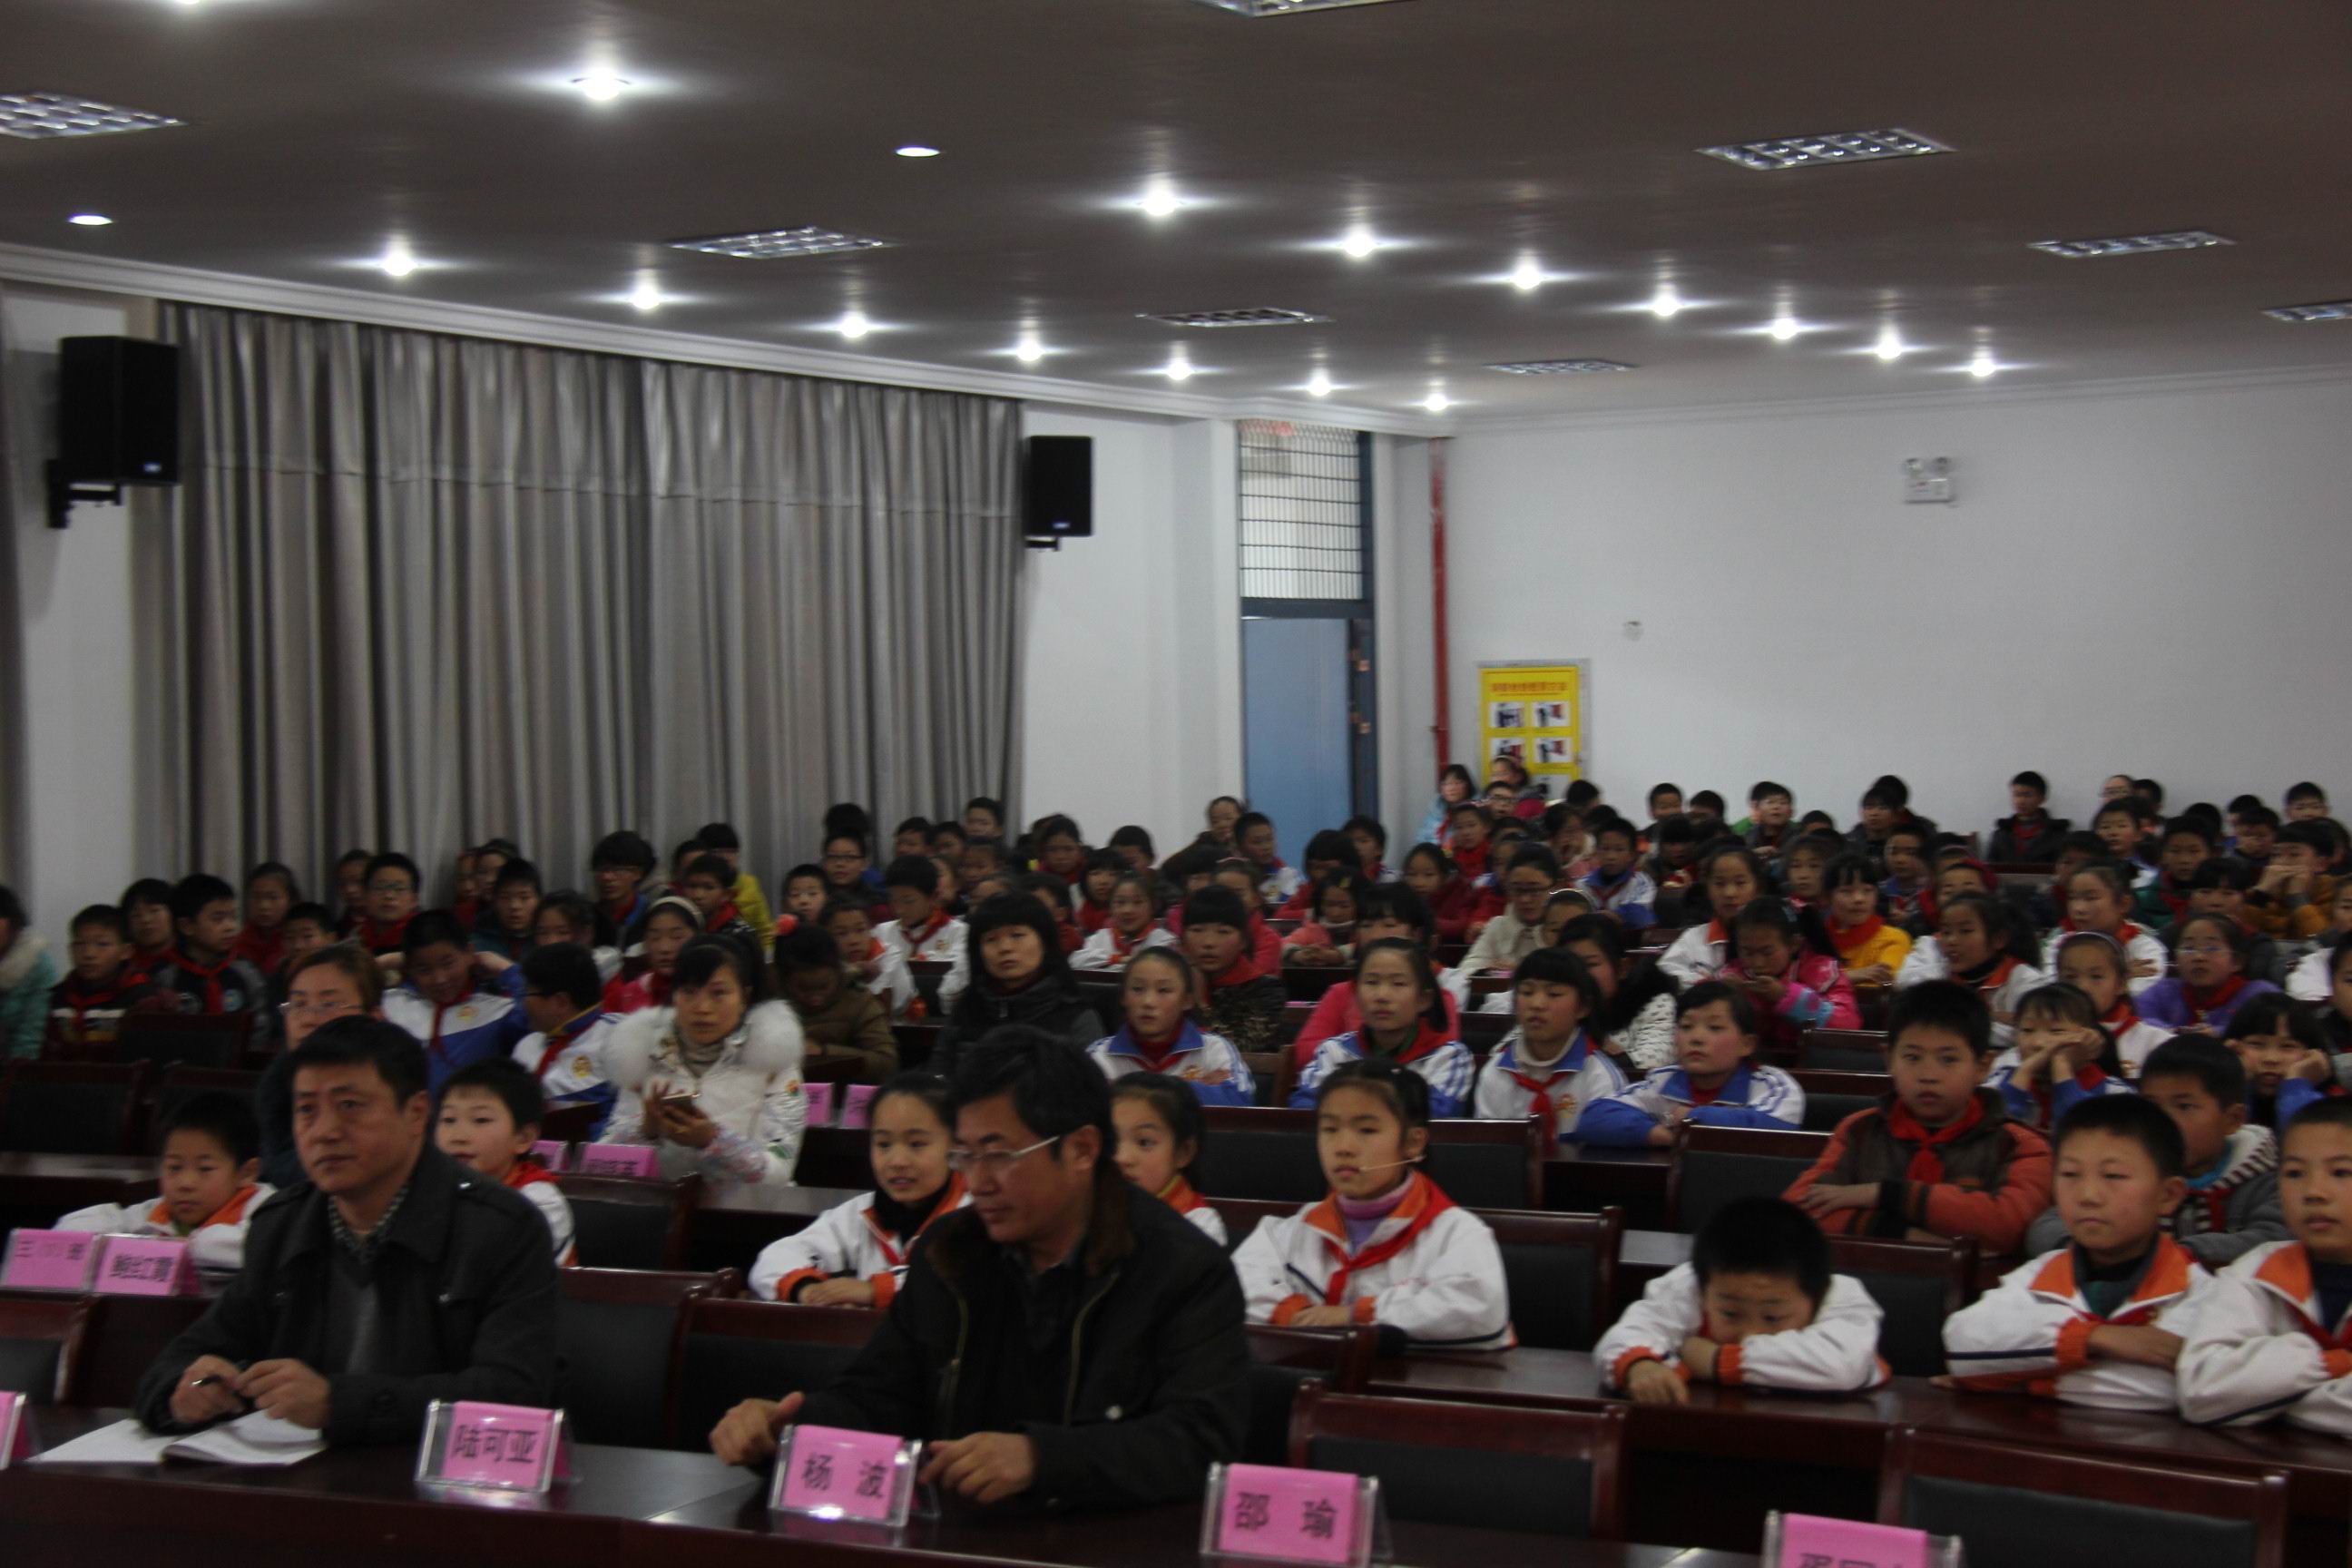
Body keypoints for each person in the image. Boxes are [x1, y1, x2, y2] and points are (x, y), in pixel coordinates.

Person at [709, 1029, 1250, 1511]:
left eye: (999, 1155)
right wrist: (789, 1429)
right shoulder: (951, 1251)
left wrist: (1042, 1459)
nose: (978, 1181)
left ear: (1082, 1149)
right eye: (964, 1156)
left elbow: (1200, 1441)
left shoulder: (1183, 1267)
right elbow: (881, 1397)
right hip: (959, 1538)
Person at [136, 1017, 561, 1443]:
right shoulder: (282, 1225)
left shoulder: (502, 1227)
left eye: (350, 1106)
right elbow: (180, 1361)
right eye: (307, 1110)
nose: (323, 1132)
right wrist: (185, 1392)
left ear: (416, 1113)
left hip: (429, 1478)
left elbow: (513, 1394)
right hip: (296, 1474)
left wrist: (339, 1403)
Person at [1943, 1094, 2210, 1409]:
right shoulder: (2039, 1274)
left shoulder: (2200, 1292)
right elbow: (1961, 1346)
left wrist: (2027, 1378)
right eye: (2070, 1174)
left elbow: (2181, 1389)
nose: (2088, 1195)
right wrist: (2095, 1339)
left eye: (2113, 1176)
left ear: (2168, 1195)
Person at [1239, 1060, 1511, 1350]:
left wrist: (1356, 1315)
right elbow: (1237, 1284)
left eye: (1366, 1130)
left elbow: (1479, 1308)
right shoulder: (1289, 1232)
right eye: (1330, 1129)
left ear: (1414, 1143)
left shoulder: (1456, 1234)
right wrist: (1292, 1314)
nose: (1343, 1147)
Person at [1787, 981, 2053, 1255]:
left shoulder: (2019, 1144)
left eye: (1948, 1060)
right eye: (1913, 1058)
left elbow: (2008, 1226)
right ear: (1889, 1059)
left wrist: (1885, 1194)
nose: (1928, 1075)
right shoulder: (1859, 1129)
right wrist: (1901, 1234)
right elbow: (1797, 1211)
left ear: (1982, 1066)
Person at [2026, 1035, 2286, 1267]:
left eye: (2184, 1106)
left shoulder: (2265, 1180)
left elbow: (2274, 1237)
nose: (2163, 1119)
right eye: (2151, 1105)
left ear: (2233, 1119)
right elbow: (2046, 1227)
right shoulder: (2125, 1169)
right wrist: (2095, 1249)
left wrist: (2172, 1255)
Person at [1600, 1197, 1886, 1401]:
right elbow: (1628, 1333)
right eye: (1730, 1313)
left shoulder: (1840, 1295)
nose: (1751, 1333)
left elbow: (1844, 1366)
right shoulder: (1690, 1285)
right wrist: (1641, 1366)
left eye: (1773, 1317)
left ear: (1817, 1298)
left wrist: (1714, 1360)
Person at [2179, 1099, 2352, 1436]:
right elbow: (2201, 1390)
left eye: (2341, 1172)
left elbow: (2228, 1398)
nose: (2314, 1192)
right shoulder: (2255, 1269)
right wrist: (2335, 1363)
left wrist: (2269, 1395)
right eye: (2295, 1173)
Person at [600, 936, 808, 1186]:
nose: (702, 1008)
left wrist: (713, 1141)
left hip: (748, 1207)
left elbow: (778, 1172)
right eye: (689, 992)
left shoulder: (774, 1062)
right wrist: (645, 1131)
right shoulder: (642, 1055)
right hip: (661, 1205)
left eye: (718, 993)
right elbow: (603, 1163)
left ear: (744, 997)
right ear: (674, 996)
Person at [750, 1072, 967, 1304]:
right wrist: (808, 1289)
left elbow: (967, 1280)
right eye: (883, 1144)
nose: (897, 1161)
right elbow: (775, 1259)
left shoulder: (975, 1214)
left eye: (916, 1144)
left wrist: (874, 1290)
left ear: (956, 1145)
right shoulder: (861, 1214)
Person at [57, 1092, 272, 1276]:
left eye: (205, 1169)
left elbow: (256, 1249)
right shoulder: (159, 1212)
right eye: (174, 1168)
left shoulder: (268, 1209)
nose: (185, 1183)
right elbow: (74, 1227)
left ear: (246, 1173)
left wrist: (174, 1247)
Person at [1580, 982, 1807, 1146]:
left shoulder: (1773, 1085)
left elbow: (1774, 1125)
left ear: (1746, 1045)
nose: (1696, 1038)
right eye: (1686, 1027)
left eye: (1714, 1028)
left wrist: (1692, 1117)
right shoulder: (1662, 1080)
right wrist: (1663, 1135)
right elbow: (1595, 1117)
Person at [1291, 939, 1475, 1116]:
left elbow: (1432, 1117)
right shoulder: (1334, 1051)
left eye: (1398, 984)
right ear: (1355, 994)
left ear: (1424, 999)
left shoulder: (1448, 1057)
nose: (1382, 996)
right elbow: (1304, 1110)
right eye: (1372, 982)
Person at [932, 894, 1109, 1078]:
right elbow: (937, 1082)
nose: (1005, 948)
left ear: (1045, 942)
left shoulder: (1076, 1017)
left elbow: (1089, 1090)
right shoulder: (964, 1012)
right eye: (991, 939)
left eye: (1017, 935)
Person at [1290, 885, 1466, 1063]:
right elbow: (1305, 1051)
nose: (1375, 935)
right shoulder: (1341, 993)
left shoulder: (1436, 996)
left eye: (1389, 925)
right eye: (1366, 926)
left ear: (1416, 934)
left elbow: (1443, 1055)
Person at [1471, 946, 1630, 1142]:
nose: (1537, 1004)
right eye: (1527, 992)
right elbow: (1487, 1151)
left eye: (1554, 994)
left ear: (1583, 1007)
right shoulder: (1495, 1072)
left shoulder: (1600, 1079)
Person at [436, 1057, 573, 1263]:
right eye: (448, 1119)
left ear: (523, 1138)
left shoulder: (540, 1203)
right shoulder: (432, 1189)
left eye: (480, 1120)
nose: (458, 1136)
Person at [1087, 947, 1254, 1107]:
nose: (1148, 1002)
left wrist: (1120, 1089)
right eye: (1137, 989)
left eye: (1163, 990)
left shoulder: (1214, 1049)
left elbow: (1240, 1101)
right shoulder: (1100, 1055)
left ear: (1187, 1001)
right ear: (1123, 997)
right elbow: (1083, 1106)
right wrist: (1190, 1087)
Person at [380, 912, 528, 1092]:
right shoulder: (390, 1005)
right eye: (424, 970)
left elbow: (538, 1014)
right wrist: (381, 963)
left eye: (448, 964)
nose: (440, 979)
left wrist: (508, 969)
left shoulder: (497, 1011)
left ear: (470, 953)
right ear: (408, 968)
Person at [1903, 892, 2047, 1051]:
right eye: (1945, 932)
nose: (1951, 941)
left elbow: (2030, 1035)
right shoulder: (1938, 975)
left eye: (1965, 931)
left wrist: (1958, 1021)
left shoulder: (2026, 979)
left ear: (1999, 939)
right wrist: (1987, 1017)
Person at [1717, 897, 1859, 1057]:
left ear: (1794, 944)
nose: (1757, 962)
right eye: (1747, 952)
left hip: (1812, 1066)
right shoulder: (1730, 975)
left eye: (1767, 952)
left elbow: (1848, 1027)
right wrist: (1726, 998)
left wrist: (1786, 996)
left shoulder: (1824, 972)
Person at [1990, 982, 2137, 1132]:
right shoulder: (1998, 1082)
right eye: (2027, 1030)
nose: (2038, 1043)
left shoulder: (2117, 1095)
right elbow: (1994, 1133)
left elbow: (2078, 1134)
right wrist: (2025, 1071)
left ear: (2088, 1038)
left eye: (2056, 1031)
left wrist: (2062, 1066)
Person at [511, 942, 622, 1136]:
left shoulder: (620, 1037)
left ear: (561, 1002)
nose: (523, 1003)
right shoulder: (525, 1047)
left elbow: (633, 1118)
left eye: (527, 993)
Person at [151, 873, 274, 1046]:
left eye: (233, 917)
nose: (230, 927)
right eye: (218, 919)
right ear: (186, 926)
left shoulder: (246, 971)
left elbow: (261, 1026)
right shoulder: (164, 976)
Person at [1109, 1071, 1226, 1244]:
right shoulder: (1088, 1207)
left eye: (1144, 1142)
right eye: (1112, 1139)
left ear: (1183, 1152)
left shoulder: (1199, 1225)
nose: (1122, 1158)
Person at [775, 924, 900, 1082]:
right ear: (783, 980)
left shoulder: (858, 1000)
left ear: (838, 972)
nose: (815, 998)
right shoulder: (769, 1001)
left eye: (824, 986)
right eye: (803, 989)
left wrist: (824, 1052)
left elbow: (887, 1062)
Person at [1558, 914, 1681, 1073]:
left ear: (1622, 968)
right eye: (1571, 966)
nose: (1579, 974)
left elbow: (1652, 1061)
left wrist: (1593, 1052)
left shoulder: (1655, 1001)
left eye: (1590, 964)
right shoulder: (1555, 1003)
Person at [44, 902, 169, 1054]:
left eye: (102, 944)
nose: (89, 954)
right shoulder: (59, 997)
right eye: (80, 944)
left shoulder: (142, 998)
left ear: (126, 951)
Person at [2051, 930, 2172, 1078]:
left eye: (2096, 977)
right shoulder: (2044, 1040)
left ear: (2121, 984)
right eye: (2070, 977)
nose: (2082, 987)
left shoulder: (2157, 1042)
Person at [1182, 886, 1289, 1054]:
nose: (1209, 942)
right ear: (1183, 939)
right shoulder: (1172, 985)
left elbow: (1241, 1049)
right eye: (1197, 930)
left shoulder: (1265, 990)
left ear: (1243, 941)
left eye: (1223, 932)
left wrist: (1201, 1003)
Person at [2138, 913, 2280, 1034]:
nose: (2198, 957)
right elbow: (2138, 1017)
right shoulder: (2165, 991)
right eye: (2188, 949)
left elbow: (2269, 1028)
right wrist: (2174, 1033)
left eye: (2212, 949)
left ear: (2237, 961)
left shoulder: (2259, 994)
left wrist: (2220, 1033)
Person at [2226, 994, 2341, 1133]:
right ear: (2233, 1047)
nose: (2271, 1059)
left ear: (2313, 1053)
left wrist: (2296, 1087)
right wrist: (2234, 1083)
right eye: (2256, 1044)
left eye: (2287, 1046)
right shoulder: (2210, 1101)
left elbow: (2307, 1141)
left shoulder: (2336, 1106)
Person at [1657, 845, 1766, 985]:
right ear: (1707, 889)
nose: (1729, 893)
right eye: (1719, 884)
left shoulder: (1774, 936)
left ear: (1758, 888)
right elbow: (1665, 976)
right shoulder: (1692, 939)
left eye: (1740, 883)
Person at [1823, 853, 1912, 990]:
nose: (1859, 899)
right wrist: (1853, 975)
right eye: (1847, 891)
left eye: (1868, 891)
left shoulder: (1893, 939)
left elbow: (1885, 983)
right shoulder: (1816, 941)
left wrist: (1833, 978)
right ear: (1827, 897)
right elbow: (1802, 982)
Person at [877, 855, 969, 979]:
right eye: (893, 900)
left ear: (933, 897)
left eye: (908, 901)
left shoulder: (959, 933)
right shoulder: (882, 933)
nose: (899, 910)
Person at [605, 895, 700, 1014]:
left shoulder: (711, 992)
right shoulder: (627, 996)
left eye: (677, 936)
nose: (664, 948)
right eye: (655, 938)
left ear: (698, 938)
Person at [1071, 868, 1177, 971]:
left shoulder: (1164, 940)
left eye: (1137, 902)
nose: (1127, 910)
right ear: (1110, 907)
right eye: (1120, 902)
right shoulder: (1099, 938)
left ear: (1153, 906)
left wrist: (1106, 963)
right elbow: (1076, 961)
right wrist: (1117, 959)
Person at [2247, 821, 2338, 941]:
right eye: (2276, 854)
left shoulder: (2340, 895)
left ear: (2321, 864)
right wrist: (2259, 895)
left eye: (2294, 855)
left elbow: (2325, 945)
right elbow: (2240, 940)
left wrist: (2297, 898)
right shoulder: (2261, 894)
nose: (2281, 862)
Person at [695, 822, 776, 946]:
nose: (726, 857)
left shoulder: (750, 884)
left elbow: (766, 932)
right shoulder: (695, 887)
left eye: (731, 851)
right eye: (717, 851)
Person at [2135, 817, 2219, 929]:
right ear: (2162, 855)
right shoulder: (2141, 900)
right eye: (2175, 851)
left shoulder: (2223, 898)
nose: (2184, 860)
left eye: (2194, 851)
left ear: (2211, 854)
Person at [1403, 842, 1492, 945]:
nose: (1419, 883)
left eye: (1429, 875)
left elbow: (1463, 926)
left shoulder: (1460, 892)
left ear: (1444, 876)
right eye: (1412, 874)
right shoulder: (1403, 896)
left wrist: (1427, 923)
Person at [1283, 867, 1371, 967]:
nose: (1335, 913)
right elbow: (1281, 944)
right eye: (1329, 905)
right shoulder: (1312, 930)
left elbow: (1373, 945)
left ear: (1360, 904)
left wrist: (1338, 955)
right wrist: (1299, 955)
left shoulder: (1367, 929)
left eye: (1344, 906)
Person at [681, 852, 764, 952]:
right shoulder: (680, 928)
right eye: (692, 886)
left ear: (726, 895)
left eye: (709, 887)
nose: (698, 895)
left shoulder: (740, 936)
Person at [230, 862, 300, 978]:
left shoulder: (299, 943)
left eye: (273, 897)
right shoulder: (238, 944)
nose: (263, 906)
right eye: (256, 897)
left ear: (291, 901)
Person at [1581, 819, 1655, 927]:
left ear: (1632, 855)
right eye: (1605, 849)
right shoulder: (1581, 884)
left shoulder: (1641, 882)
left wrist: (1606, 916)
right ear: (1596, 851)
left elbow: (1639, 914)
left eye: (1619, 850)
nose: (1611, 856)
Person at [590, 829, 659, 942]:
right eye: (601, 869)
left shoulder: (652, 916)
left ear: (637, 873)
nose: (606, 877)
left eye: (617, 870)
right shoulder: (590, 917)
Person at [470, 858, 542, 962]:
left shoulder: (546, 940)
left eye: (524, 897)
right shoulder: (477, 944)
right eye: (505, 897)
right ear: (495, 901)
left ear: (539, 899)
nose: (514, 906)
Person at [1988, 771, 2069, 864]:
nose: (2021, 801)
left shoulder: (2057, 833)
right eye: (2017, 795)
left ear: (2042, 799)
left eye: (2027, 795)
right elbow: (1989, 867)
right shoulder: (2001, 833)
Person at [352, 852, 423, 955]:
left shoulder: (423, 941)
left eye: (399, 889)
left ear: (414, 899)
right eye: (379, 888)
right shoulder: (356, 939)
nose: (389, 896)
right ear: (365, 895)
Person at [122, 877, 178, 978]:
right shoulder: (121, 966)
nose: (145, 920)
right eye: (136, 915)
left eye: (154, 911)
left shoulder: (193, 960)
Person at [1417, 763, 1478, 849]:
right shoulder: (1435, 811)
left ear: (1467, 785)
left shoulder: (1477, 810)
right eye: (1447, 784)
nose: (1452, 788)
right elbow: (1421, 840)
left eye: (1457, 783)